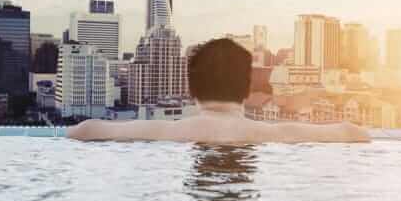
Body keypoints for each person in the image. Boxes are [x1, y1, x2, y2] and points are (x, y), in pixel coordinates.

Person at [68, 37, 371, 144]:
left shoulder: (164, 131)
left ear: (193, 88)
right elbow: (355, 133)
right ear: (246, 88)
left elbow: (83, 130)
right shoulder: (275, 135)